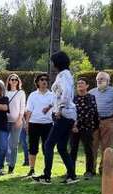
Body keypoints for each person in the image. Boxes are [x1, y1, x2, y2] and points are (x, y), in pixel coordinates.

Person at [34, 51, 79, 184]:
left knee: (48, 145)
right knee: (61, 147)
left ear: (58, 62)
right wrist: (50, 106)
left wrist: (60, 109)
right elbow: (58, 95)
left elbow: (66, 94)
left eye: (53, 61)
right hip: (68, 114)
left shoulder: (63, 75)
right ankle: (72, 176)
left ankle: (46, 176)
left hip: (64, 114)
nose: (52, 64)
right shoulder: (66, 74)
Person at [89, 72, 113, 174]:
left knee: (106, 147)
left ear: (108, 81)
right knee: (92, 146)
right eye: (98, 79)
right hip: (94, 122)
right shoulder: (91, 92)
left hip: (108, 121)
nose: (99, 81)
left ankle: (104, 170)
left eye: (102, 79)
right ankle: (90, 170)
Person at [24, 74, 54, 178]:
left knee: (47, 149)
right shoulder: (33, 95)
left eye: (46, 80)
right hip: (34, 124)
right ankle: (31, 170)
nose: (44, 81)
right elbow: (28, 110)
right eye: (42, 80)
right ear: (37, 82)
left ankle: (47, 170)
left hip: (48, 125)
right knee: (33, 148)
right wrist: (27, 124)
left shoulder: (52, 95)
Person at [70, 77, 99, 179]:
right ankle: (71, 171)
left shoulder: (91, 98)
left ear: (87, 86)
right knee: (73, 150)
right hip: (73, 128)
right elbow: (70, 113)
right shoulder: (73, 99)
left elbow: (90, 113)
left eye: (82, 83)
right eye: (78, 84)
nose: (79, 85)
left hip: (87, 128)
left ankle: (89, 171)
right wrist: (73, 126)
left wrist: (95, 127)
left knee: (88, 150)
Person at [5, 73, 27, 174]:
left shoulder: (21, 93)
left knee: (14, 144)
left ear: (18, 82)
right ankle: (4, 162)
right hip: (5, 122)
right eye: (12, 79)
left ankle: (11, 165)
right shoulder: (5, 93)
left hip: (16, 122)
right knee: (3, 144)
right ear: (9, 81)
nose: (14, 81)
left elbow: (22, 107)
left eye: (16, 79)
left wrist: (19, 120)